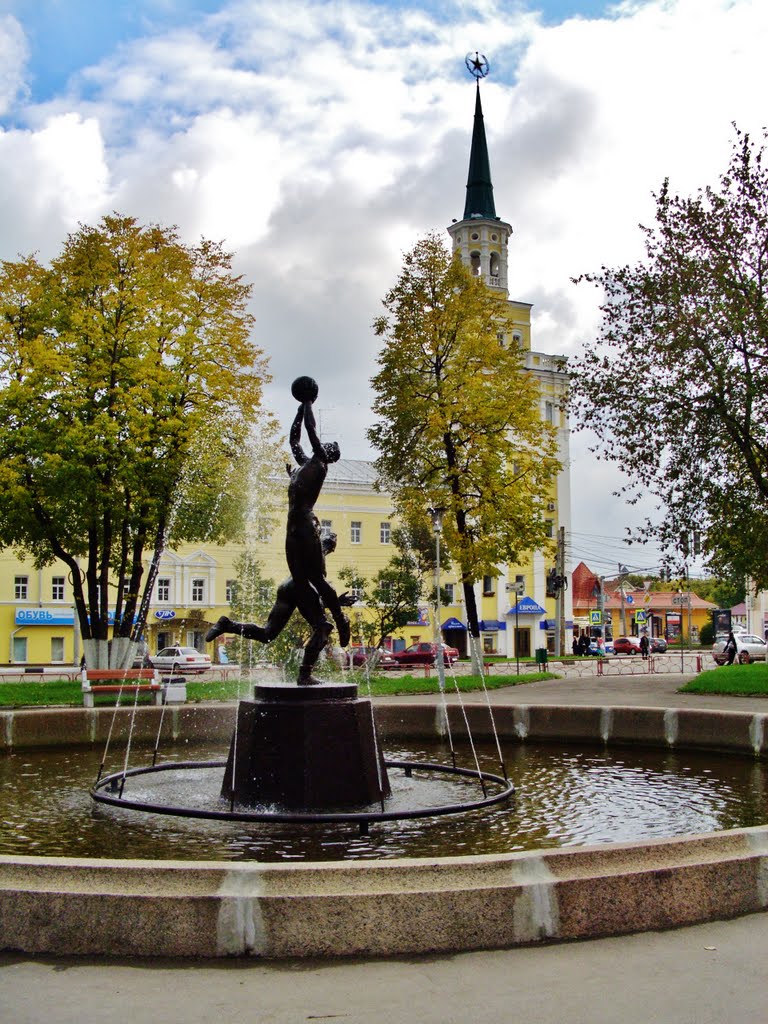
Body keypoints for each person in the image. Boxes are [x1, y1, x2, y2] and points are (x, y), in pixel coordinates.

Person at [205, 532, 353, 653]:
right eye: (331, 544)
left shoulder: (312, 551)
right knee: (322, 628)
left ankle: (228, 625)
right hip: (300, 588)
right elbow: (317, 587)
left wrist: (336, 601)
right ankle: (305, 674)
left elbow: (313, 596)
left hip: (287, 588)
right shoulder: (317, 554)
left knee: (267, 634)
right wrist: (337, 608)